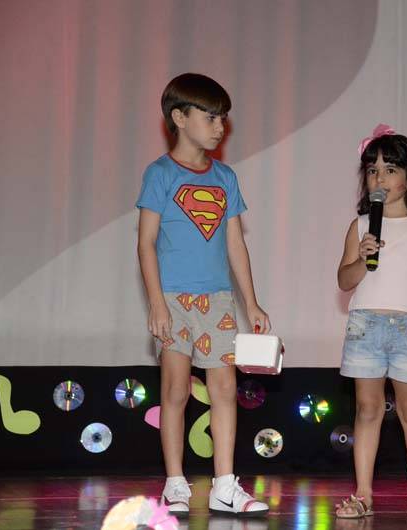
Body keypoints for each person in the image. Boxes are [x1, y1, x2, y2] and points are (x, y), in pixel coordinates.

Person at [136, 73, 270, 518]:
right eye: (210, 117)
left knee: (225, 388)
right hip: (174, 299)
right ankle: (175, 483)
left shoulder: (225, 177)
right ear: (179, 117)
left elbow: (235, 244)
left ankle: (225, 485)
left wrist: (250, 301)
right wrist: (157, 302)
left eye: (223, 118)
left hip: (218, 300)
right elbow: (146, 243)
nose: (219, 127)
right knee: (175, 390)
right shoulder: (160, 174)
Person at [335, 125, 407, 519]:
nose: (380, 178)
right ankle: (363, 494)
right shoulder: (361, 225)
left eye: (390, 170)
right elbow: (344, 280)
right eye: (373, 170)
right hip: (365, 326)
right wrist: (361, 257)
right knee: (367, 410)